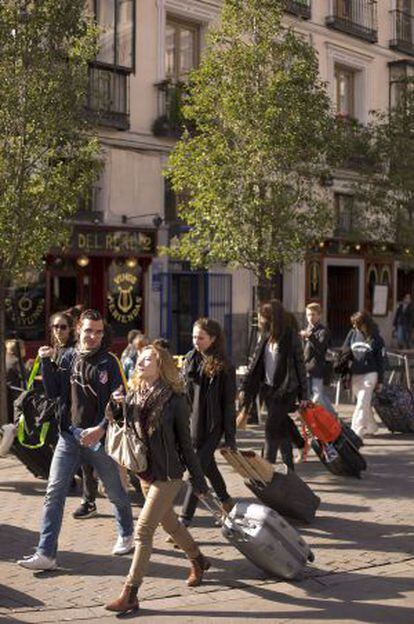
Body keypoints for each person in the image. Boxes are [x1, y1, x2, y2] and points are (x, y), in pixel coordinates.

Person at [17, 309, 134, 571]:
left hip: (98, 439)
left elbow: (119, 402)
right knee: (53, 494)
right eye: (89, 330)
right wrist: (46, 363)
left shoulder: (109, 362)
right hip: (68, 437)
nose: (93, 336)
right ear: (78, 329)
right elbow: (54, 392)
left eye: (99, 331)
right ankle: (46, 553)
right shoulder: (67, 356)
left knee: (115, 491)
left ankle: (126, 534)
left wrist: (101, 429)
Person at [105, 343, 210, 614]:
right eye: (140, 359)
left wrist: (198, 481)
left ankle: (130, 593)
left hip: (168, 474)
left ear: (160, 365)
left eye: (148, 359)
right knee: (171, 525)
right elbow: (123, 425)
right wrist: (115, 406)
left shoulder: (175, 400)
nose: (141, 363)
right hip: (144, 471)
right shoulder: (133, 394)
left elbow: (186, 445)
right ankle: (198, 559)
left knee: (143, 531)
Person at [239, 300, 309, 470]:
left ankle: (267, 467)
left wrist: (304, 396)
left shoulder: (290, 336)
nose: (259, 320)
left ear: (271, 318)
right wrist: (244, 388)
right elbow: (255, 363)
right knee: (281, 427)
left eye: (261, 317)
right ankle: (289, 468)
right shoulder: (264, 336)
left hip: (286, 390)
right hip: (268, 389)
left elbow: (300, 365)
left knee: (270, 428)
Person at [179, 318, 236, 526]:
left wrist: (230, 437)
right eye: (194, 337)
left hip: (213, 425)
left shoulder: (225, 367)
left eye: (201, 338)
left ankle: (184, 520)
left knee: (196, 470)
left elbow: (229, 404)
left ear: (212, 339)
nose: (196, 341)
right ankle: (226, 501)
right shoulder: (189, 360)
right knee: (207, 466)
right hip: (192, 424)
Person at [342, 310, 385, 439]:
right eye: (353, 324)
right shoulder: (352, 333)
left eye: (357, 324)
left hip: (370, 373)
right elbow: (345, 352)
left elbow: (381, 360)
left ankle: (355, 432)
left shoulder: (376, 338)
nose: (355, 326)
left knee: (362, 402)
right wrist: (345, 373)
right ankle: (371, 426)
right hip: (355, 373)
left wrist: (380, 381)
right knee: (364, 402)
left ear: (365, 323)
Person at [300, 302, 336, 415]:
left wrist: (310, 337)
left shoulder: (323, 331)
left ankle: (332, 416)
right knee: (315, 395)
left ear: (319, 315)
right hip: (306, 367)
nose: (310, 317)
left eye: (313, 314)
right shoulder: (306, 330)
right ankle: (330, 416)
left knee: (318, 396)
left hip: (318, 368)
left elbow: (321, 348)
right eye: (308, 315)